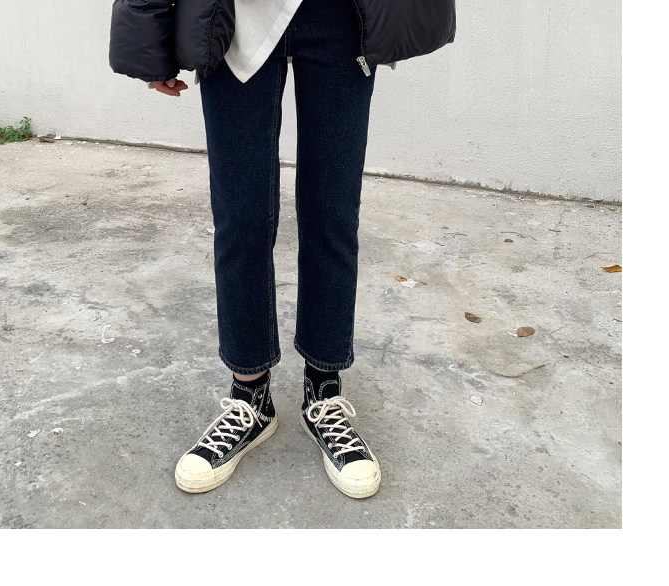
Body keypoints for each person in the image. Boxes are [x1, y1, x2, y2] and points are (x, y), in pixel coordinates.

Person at [110, 0, 455, 500]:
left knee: (332, 213)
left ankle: (324, 392)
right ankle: (250, 396)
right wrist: (149, 42)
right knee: (241, 218)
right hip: (232, 16)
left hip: (341, 15)